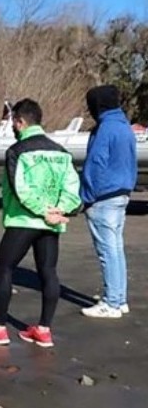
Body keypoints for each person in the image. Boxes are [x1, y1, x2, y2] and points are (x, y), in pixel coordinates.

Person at [0, 99, 81, 349]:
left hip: (24, 219)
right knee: (48, 272)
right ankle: (44, 329)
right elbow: (73, 188)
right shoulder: (61, 152)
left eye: (13, 123)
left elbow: (21, 189)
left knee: (3, 268)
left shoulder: (17, 151)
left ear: (20, 122)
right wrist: (61, 209)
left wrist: (42, 211)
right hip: (52, 221)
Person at [79, 85, 137, 319]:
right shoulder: (124, 127)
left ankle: (112, 302)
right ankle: (118, 298)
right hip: (122, 193)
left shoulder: (105, 129)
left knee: (107, 251)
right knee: (116, 249)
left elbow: (95, 164)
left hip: (104, 196)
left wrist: (86, 197)